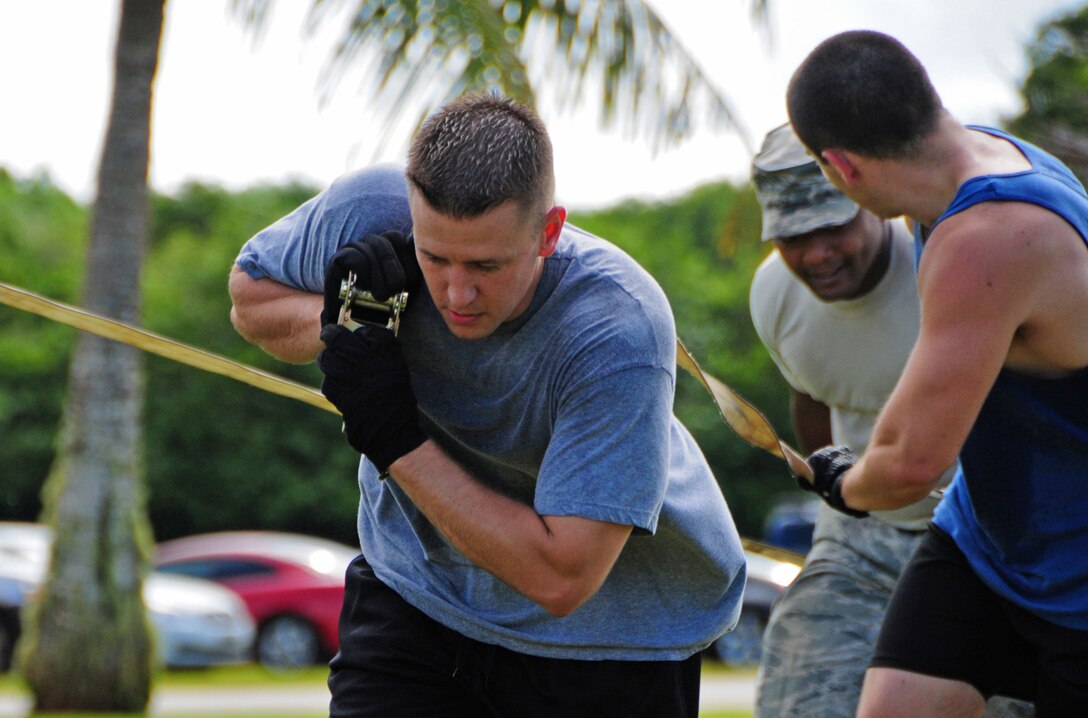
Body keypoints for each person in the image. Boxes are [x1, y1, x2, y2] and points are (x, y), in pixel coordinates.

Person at [228, 92, 747, 717]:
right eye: (434, 256)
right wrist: (352, 321)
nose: (457, 291)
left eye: (486, 264)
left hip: (615, 637)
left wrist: (394, 439)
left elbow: (562, 579)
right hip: (418, 596)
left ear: (548, 231)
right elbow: (249, 301)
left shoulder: (616, 326)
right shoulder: (370, 208)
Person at [786, 30, 1088, 717]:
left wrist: (843, 483)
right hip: (986, 546)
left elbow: (910, 465)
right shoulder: (983, 156)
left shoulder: (988, 237)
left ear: (839, 165)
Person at [749, 123, 1033, 718]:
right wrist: (839, 492)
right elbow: (813, 398)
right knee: (797, 701)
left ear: (871, 204)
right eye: (793, 237)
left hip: (989, 538)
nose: (817, 253)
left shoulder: (954, 267)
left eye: (833, 227)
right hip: (863, 536)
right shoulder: (774, 296)